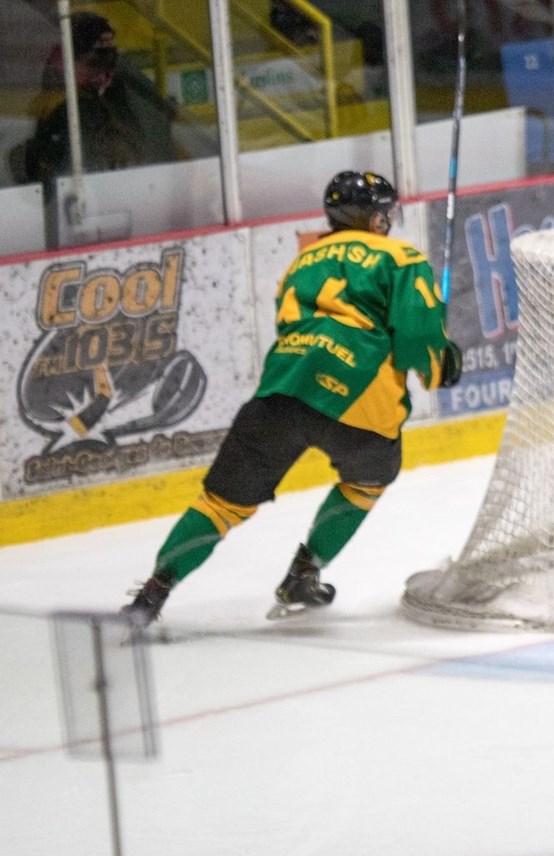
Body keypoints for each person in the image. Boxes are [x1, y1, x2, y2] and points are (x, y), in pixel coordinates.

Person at [121, 171, 462, 624]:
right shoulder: (401, 256)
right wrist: (443, 364)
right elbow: (418, 339)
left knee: (221, 504)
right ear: (376, 218)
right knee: (366, 481)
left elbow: (290, 325)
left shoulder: (302, 260)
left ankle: (151, 594)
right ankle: (304, 573)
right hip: (360, 398)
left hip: (283, 389)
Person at [23, 13, 183, 185]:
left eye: (110, 43)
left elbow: (154, 118)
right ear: (77, 52)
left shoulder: (118, 79)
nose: (108, 50)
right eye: (100, 44)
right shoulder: (59, 99)